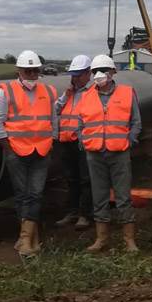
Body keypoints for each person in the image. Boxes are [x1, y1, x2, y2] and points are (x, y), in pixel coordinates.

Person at [0, 50, 57, 257]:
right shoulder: (5, 92)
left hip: (42, 151)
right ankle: (29, 239)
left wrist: (51, 140)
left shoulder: (49, 91)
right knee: (22, 195)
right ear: (19, 71)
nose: (32, 74)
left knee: (35, 194)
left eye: (35, 70)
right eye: (28, 71)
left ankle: (26, 239)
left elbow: (54, 121)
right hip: (17, 152)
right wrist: (9, 148)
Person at [75, 54, 142, 253]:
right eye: (96, 71)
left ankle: (129, 240)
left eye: (104, 70)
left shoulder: (127, 93)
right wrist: (84, 141)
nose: (100, 74)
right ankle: (101, 238)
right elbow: (80, 123)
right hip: (95, 153)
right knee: (99, 196)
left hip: (119, 152)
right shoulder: (86, 96)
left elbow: (136, 122)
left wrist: (129, 141)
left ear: (113, 72)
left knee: (123, 196)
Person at [53, 54, 94, 230]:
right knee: (71, 179)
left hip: (82, 143)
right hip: (66, 141)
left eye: (78, 75)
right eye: (73, 75)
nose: (74, 78)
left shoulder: (93, 93)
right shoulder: (69, 93)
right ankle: (72, 211)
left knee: (86, 180)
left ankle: (85, 214)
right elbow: (54, 110)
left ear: (88, 74)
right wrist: (65, 96)